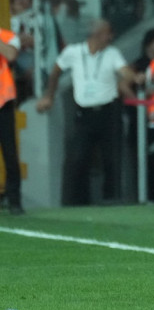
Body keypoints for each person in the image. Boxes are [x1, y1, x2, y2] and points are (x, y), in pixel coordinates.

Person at [35, 19, 136, 205]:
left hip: (108, 112)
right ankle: (76, 201)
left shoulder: (112, 53)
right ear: (97, 34)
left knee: (111, 158)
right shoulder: (73, 52)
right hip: (83, 113)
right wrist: (49, 95)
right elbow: (56, 71)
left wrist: (130, 78)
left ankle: (111, 198)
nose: (111, 36)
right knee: (78, 157)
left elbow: (125, 72)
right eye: (108, 32)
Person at [0, 27, 22, 215]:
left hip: (3, 103)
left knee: (9, 152)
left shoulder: (8, 36)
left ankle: (14, 200)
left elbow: (11, 55)